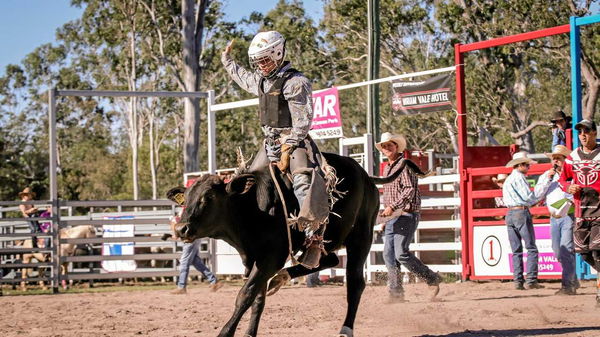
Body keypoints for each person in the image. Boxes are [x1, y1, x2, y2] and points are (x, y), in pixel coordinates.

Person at [221, 31, 329, 269]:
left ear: (278, 53)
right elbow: (243, 78)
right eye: (258, 60)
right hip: (269, 142)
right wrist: (227, 61)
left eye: (265, 59)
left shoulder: (296, 82)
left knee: (303, 181)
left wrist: (288, 147)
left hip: (294, 140)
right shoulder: (261, 80)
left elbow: (303, 120)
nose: (261, 64)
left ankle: (314, 238)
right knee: (248, 180)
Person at [377, 132, 442, 303]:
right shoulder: (388, 167)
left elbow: (409, 189)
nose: (386, 148)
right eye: (384, 146)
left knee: (400, 254)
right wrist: (387, 214)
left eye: (390, 145)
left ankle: (431, 278)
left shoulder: (404, 165)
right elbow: (391, 193)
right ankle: (396, 293)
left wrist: (392, 207)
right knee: (389, 255)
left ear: (396, 147)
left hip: (406, 214)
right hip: (394, 216)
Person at [559, 119, 600, 307]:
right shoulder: (572, 158)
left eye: (586, 131)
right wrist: (569, 187)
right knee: (583, 254)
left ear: (594, 133)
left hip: (599, 211)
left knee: (597, 250)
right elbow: (562, 180)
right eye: (580, 132)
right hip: (580, 211)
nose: (583, 135)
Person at [534, 145, 577, 295]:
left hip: (568, 215)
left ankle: (568, 285)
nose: (556, 161)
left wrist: (569, 201)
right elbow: (538, 194)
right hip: (553, 217)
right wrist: (548, 178)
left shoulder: (572, 175)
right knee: (558, 251)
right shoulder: (547, 175)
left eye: (558, 158)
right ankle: (572, 278)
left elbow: (574, 193)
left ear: (565, 160)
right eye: (554, 158)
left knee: (566, 249)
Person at [502, 151, 544, 290]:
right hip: (521, 212)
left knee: (516, 249)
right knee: (531, 247)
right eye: (526, 164)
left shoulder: (508, 179)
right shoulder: (519, 178)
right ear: (520, 165)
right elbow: (528, 197)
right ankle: (531, 280)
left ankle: (518, 281)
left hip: (510, 213)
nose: (528, 167)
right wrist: (538, 197)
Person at [171, 214, 222, 294]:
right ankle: (214, 281)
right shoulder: (187, 211)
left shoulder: (180, 215)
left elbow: (175, 222)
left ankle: (181, 287)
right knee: (196, 262)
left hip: (190, 238)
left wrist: (175, 234)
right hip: (194, 237)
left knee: (184, 262)